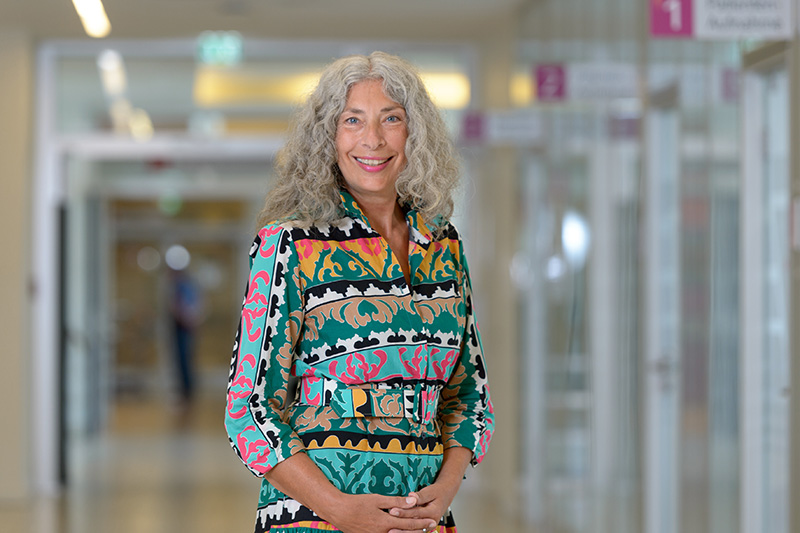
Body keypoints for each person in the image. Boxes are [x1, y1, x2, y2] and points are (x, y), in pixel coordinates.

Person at [225, 51, 494, 533]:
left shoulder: (443, 243)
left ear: (416, 135)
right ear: (328, 137)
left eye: (392, 119)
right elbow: (247, 408)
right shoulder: (292, 244)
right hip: (317, 518)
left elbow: (468, 395)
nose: (372, 139)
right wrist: (338, 507)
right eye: (353, 120)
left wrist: (448, 486)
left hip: (423, 518)